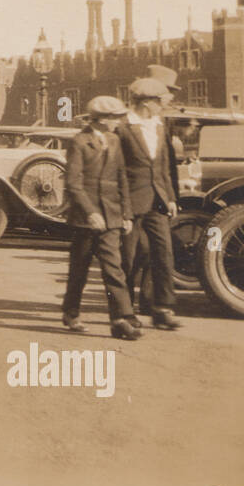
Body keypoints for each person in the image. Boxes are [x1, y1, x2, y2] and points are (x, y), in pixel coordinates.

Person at [62, 96, 140, 340]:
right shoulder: (79, 142)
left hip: (112, 216)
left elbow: (122, 179)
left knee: (113, 268)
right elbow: (73, 184)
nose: (120, 122)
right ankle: (71, 311)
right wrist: (90, 212)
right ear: (102, 119)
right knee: (79, 270)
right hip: (86, 219)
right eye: (116, 117)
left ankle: (121, 319)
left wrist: (126, 213)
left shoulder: (115, 140)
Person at [120, 76, 183, 331]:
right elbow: (118, 172)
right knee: (128, 258)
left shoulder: (159, 126)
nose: (162, 106)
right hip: (132, 202)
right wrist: (123, 209)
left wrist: (169, 198)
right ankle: (124, 312)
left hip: (157, 200)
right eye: (159, 102)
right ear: (146, 102)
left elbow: (164, 167)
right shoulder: (122, 128)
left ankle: (162, 308)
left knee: (164, 253)